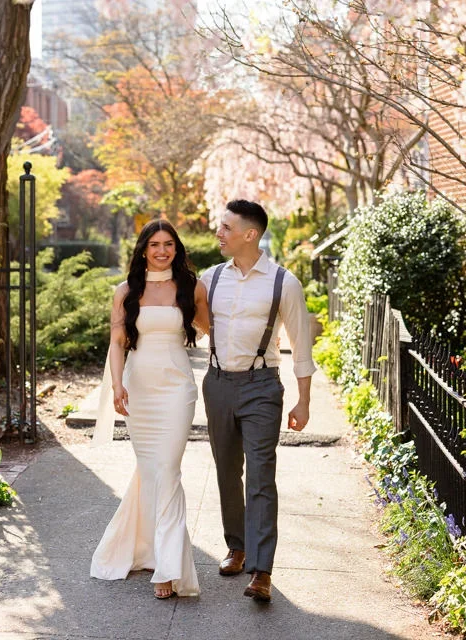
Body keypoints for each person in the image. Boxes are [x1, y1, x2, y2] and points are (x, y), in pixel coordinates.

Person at [200, 199, 316, 603]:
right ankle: (238, 545)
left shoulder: (283, 282)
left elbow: (302, 344)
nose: (219, 232)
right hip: (216, 384)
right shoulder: (210, 278)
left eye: (226, 227)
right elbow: (188, 323)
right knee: (227, 471)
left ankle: (261, 570)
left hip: (262, 386)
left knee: (261, 478)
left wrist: (303, 400)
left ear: (250, 234)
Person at [90, 219, 209, 599]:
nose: (162, 250)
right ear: (143, 249)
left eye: (169, 244)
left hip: (177, 389)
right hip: (139, 388)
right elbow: (116, 342)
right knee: (151, 471)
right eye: (155, 244)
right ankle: (145, 549)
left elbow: (210, 329)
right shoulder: (126, 290)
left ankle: (168, 567)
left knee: (168, 470)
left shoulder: (192, 286)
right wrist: (117, 383)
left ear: (177, 249)